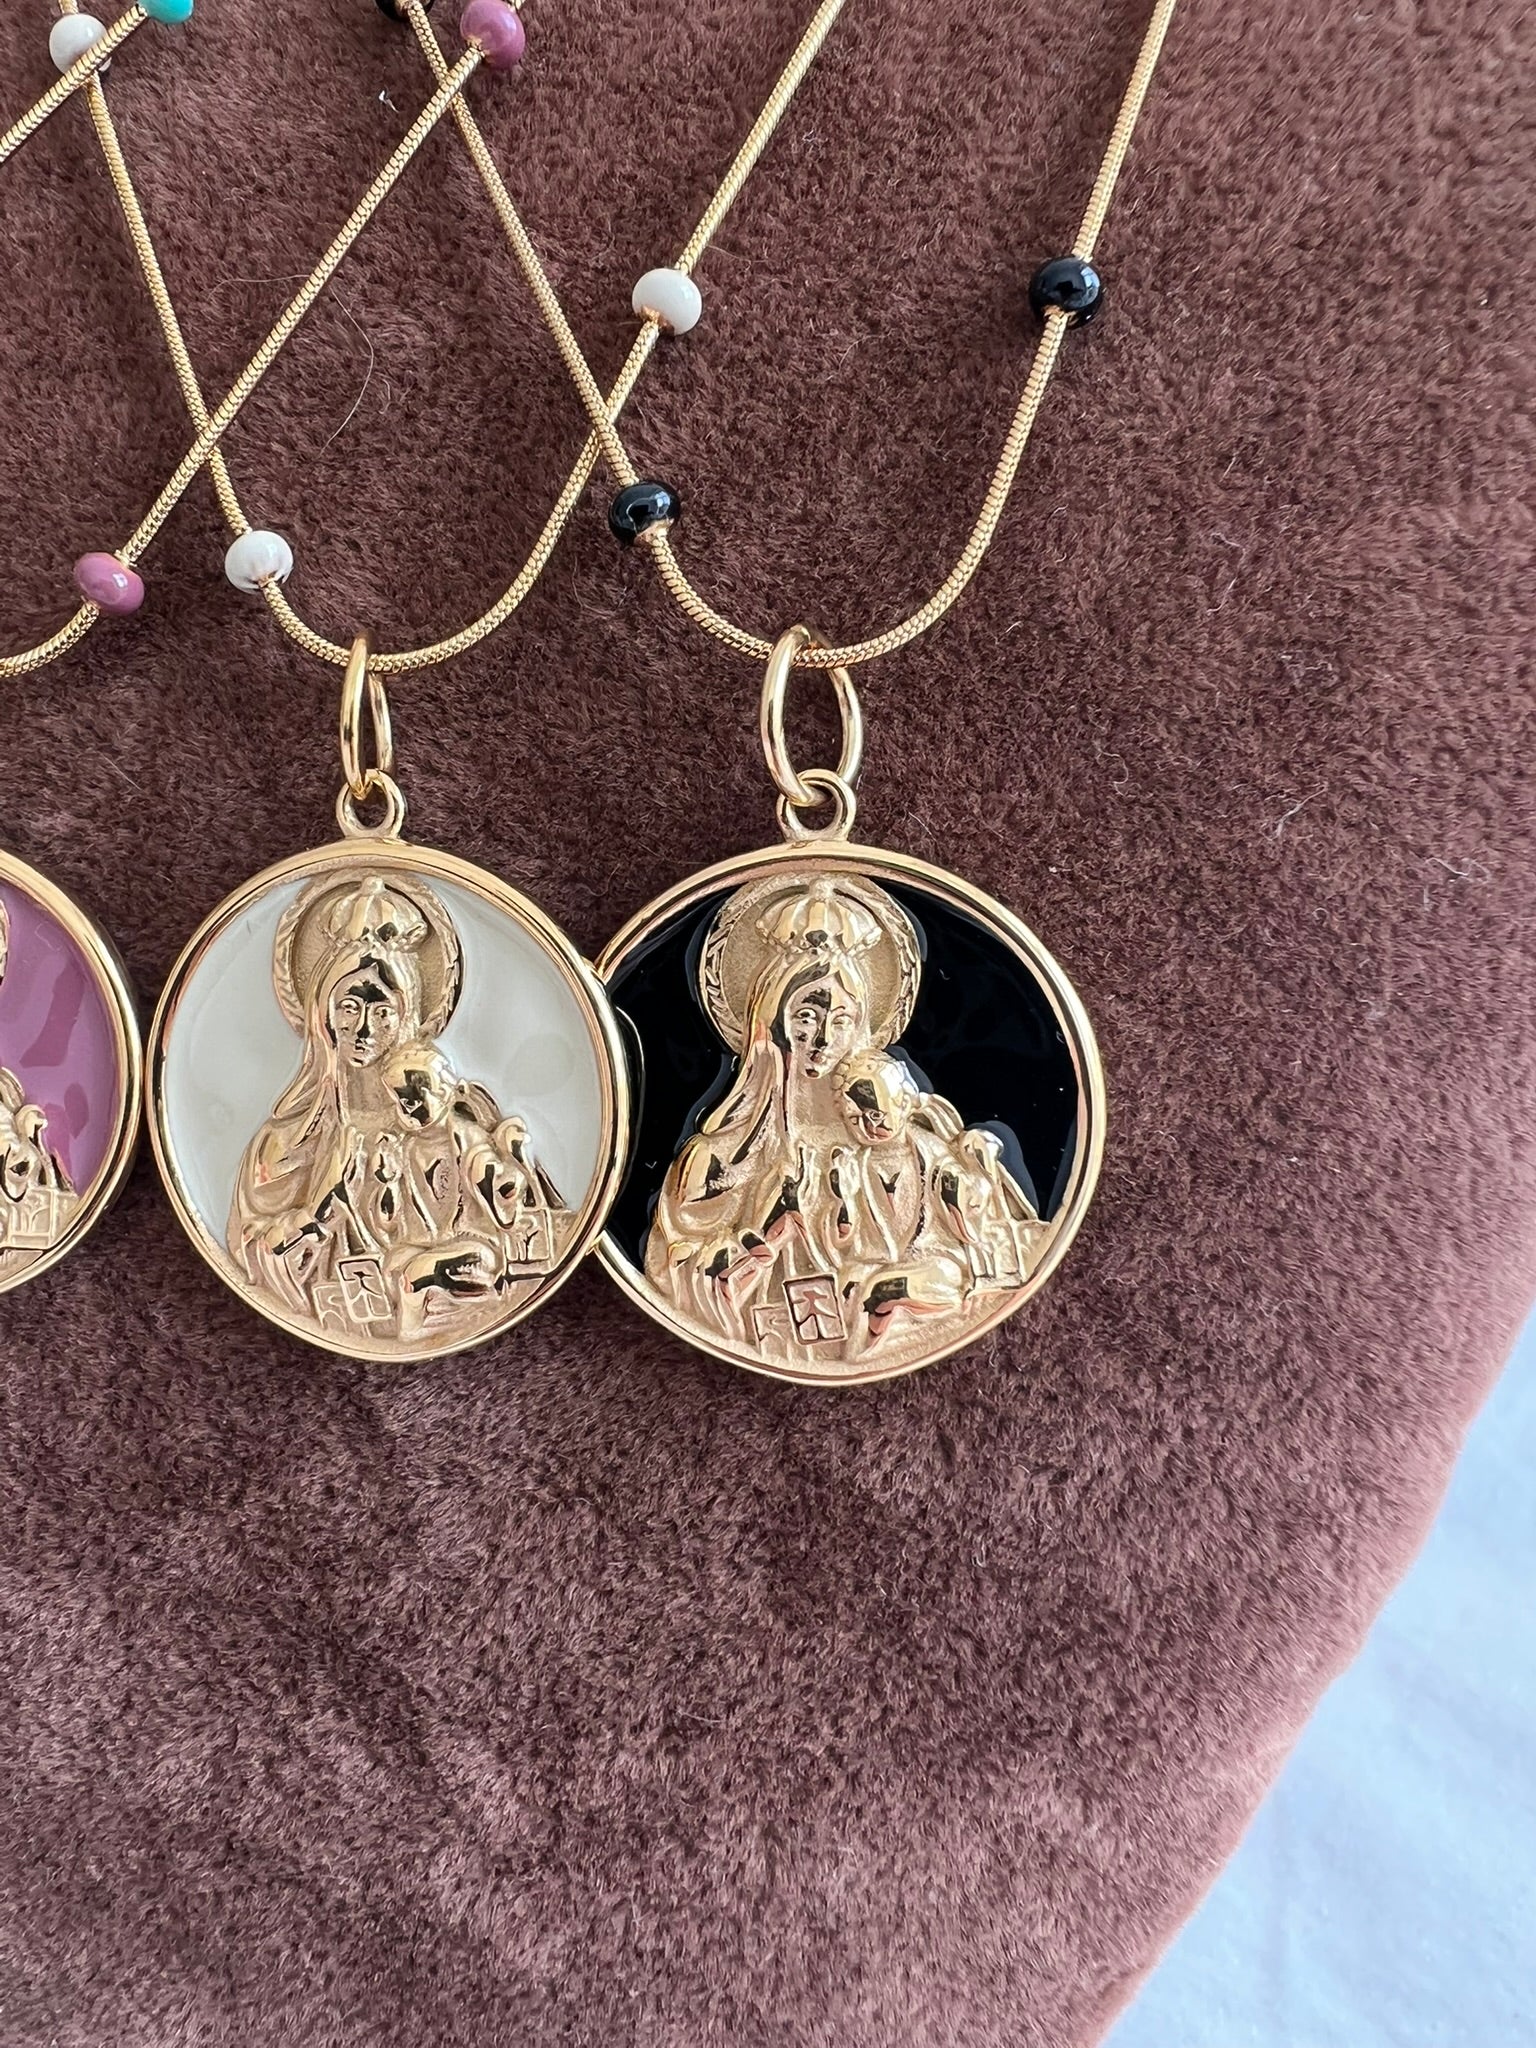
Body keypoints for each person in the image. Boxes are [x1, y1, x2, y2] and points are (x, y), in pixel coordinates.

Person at [645, 876, 1040, 1368]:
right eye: (806, 1016)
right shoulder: (719, 1160)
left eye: (841, 1020)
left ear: (862, 1026)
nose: (823, 1041)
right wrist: (763, 1235)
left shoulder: (909, 1144)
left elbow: (981, 1250)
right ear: (771, 1023)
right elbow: (674, 1274)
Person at [229, 874, 567, 1344]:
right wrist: (311, 1219)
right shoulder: (286, 1142)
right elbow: (252, 1254)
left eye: (383, 1011)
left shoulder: (452, 1122)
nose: (364, 1029)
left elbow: (519, 1229)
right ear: (323, 1016)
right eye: (349, 1007)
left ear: (408, 1017)